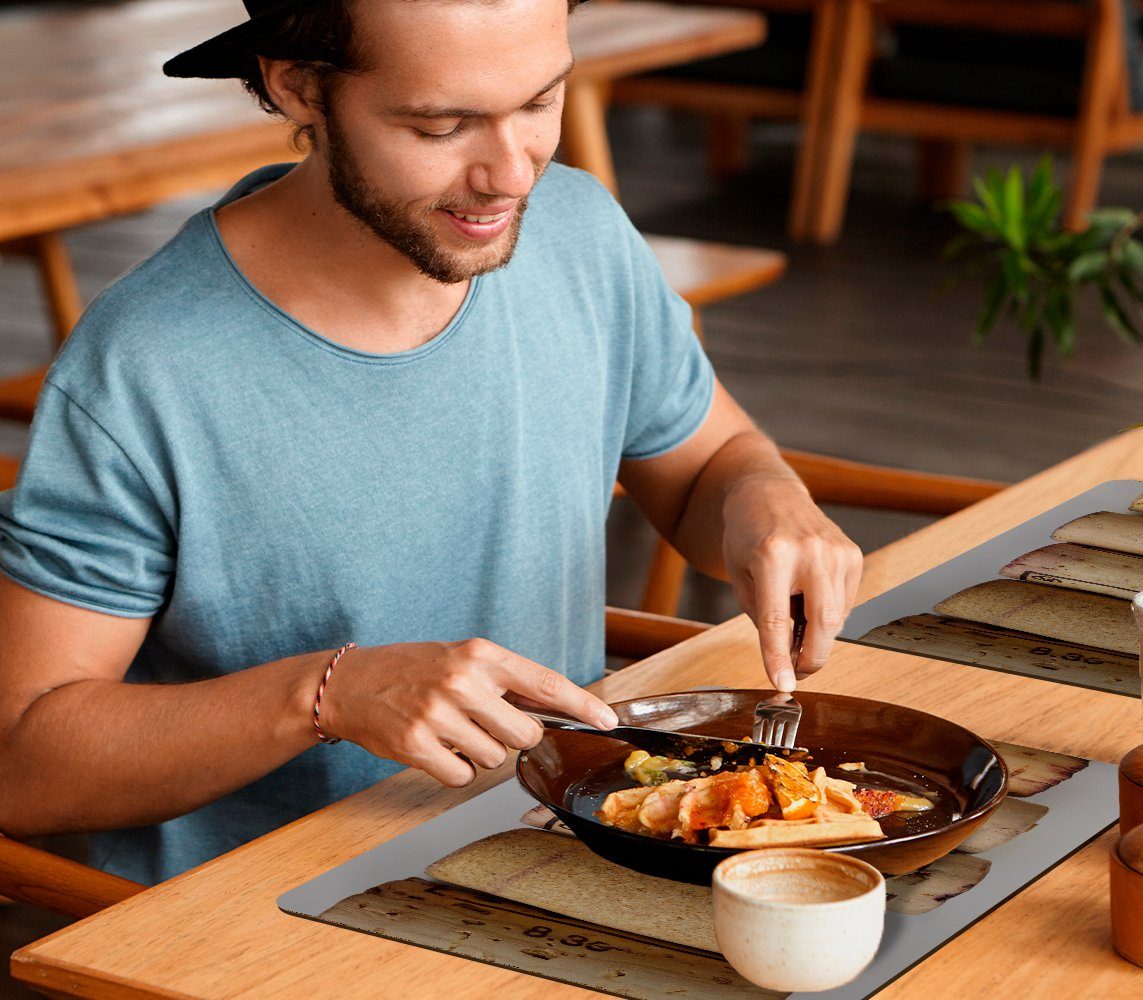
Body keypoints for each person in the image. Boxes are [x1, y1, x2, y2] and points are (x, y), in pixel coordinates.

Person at [0, 0, 862, 885]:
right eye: (442, 125)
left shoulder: (578, 231)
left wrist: (768, 499)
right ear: (295, 84)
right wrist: (328, 694)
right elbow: (24, 765)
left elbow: (706, 467)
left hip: (563, 860)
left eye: (539, 102)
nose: (511, 175)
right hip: (272, 923)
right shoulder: (145, 363)